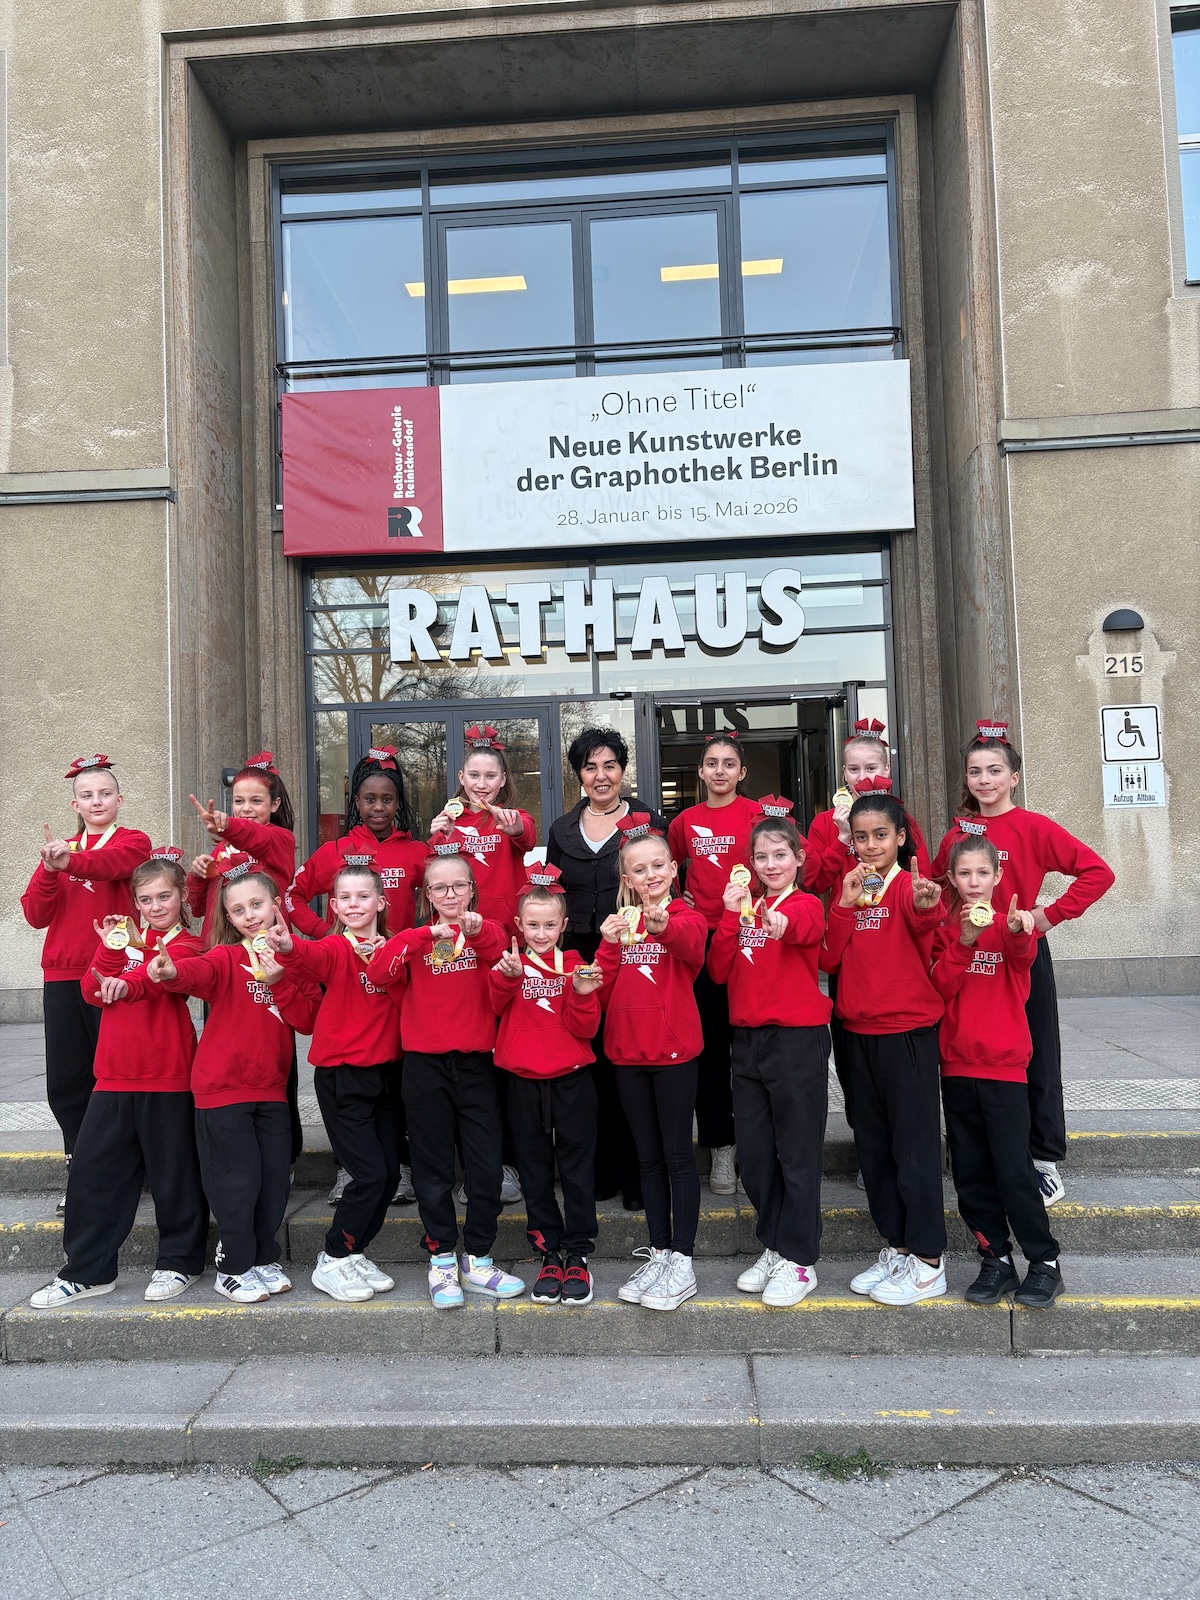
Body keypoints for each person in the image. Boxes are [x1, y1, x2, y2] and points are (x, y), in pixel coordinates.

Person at [932, 720, 1115, 1207]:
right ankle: (982, 1151)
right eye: (975, 771)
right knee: (972, 1052)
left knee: (1036, 1053)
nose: (984, 780)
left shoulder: (1034, 827)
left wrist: (1046, 916)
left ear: (1014, 776)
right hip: (969, 955)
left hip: (1020, 952)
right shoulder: (958, 834)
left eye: (995, 770)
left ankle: (1044, 1158)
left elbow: (1098, 872)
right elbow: (935, 887)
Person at [29, 846, 208, 1308]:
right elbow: (90, 991)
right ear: (135, 902)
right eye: (145, 899)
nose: (154, 907)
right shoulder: (120, 943)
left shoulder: (188, 944)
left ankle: (180, 1263)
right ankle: (88, 1272)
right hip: (111, 1078)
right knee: (93, 1174)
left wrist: (128, 982)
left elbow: (164, 977)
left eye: (164, 897)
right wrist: (111, 955)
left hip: (167, 1077)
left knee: (174, 1177)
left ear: (181, 897)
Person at [148, 860, 320, 1303]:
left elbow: (306, 1020)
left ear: (275, 904)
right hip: (221, 1090)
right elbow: (195, 974)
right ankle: (234, 1266)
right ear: (229, 919)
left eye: (256, 904)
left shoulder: (296, 961)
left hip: (271, 1090)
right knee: (235, 1180)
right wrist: (169, 974)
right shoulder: (225, 957)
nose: (249, 915)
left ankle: (263, 1258)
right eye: (238, 910)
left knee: (273, 1179)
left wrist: (280, 978)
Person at [367, 838, 525, 1309]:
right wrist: (423, 936)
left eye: (459, 886)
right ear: (427, 895)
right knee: (433, 1169)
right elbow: (378, 973)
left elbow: (501, 950)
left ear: (472, 890)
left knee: (483, 1166)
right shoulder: (414, 939)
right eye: (440, 888)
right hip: (424, 1065)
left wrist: (474, 932)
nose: (451, 895)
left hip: (478, 1065)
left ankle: (478, 1257)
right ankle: (440, 1260)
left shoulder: (486, 933)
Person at [820, 791, 948, 1306]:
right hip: (855, 1035)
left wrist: (926, 905)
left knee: (913, 1150)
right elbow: (828, 958)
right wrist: (845, 904)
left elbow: (925, 926)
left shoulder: (912, 888)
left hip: (907, 1036)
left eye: (880, 835)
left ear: (900, 837)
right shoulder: (847, 887)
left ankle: (929, 1259)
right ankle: (896, 1247)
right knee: (872, 1150)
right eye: (860, 836)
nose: (870, 846)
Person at [285, 745, 424, 1208]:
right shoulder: (336, 852)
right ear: (356, 802)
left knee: (397, 1071)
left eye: (387, 799)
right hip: (346, 974)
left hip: (401, 975)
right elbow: (294, 898)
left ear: (399, 802)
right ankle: (351, 1168)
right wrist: (326, 932)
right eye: (369, 799)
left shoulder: (418, 852)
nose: (379, 807)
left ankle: (398, 1165)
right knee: (353, 1071)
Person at [932, 837, 1064, 1308]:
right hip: (957, 1066)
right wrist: (964, 942)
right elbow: (940, 987)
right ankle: (996, 1259)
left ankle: (1044, 1261)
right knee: (970, 1172)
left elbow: (1023, 959)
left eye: (982, 874)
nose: (973, 882)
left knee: (1014, 1171)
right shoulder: (946, 929)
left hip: (1005, 1068)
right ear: (951, 879)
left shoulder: (1014, 927)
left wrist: (1019, 929)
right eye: (964, 874)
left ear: (997, 877)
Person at [708, 805, 831, 1307]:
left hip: (796, 1040)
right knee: (756, 1157)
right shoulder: (742, 910)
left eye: (780, 855)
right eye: (762, 857)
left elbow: (799, 928)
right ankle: (775, 1243)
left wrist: (773, 919)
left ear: (799, 858)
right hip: (748, 1041)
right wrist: (729, 914)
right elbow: (718, 970)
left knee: (797, 1154)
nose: (771, 864)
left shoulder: (804, 904)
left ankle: (800, 1259)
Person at [20, 755, 152, 1210]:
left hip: (114, 973)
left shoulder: (134, 842)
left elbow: (113, 864)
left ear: (120, 799)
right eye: (87, 795)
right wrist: (52, 869)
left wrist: (70, 859)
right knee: (67, 1080)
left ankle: (132, 1164)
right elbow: (36, 915)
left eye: (105, 793)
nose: (97, 801)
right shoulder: (60, 852)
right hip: (61, 976)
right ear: (75, 803)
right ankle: (82, 1167)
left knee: (116, 1074)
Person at [268, 862, 402, 1304]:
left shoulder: (392, 948)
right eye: (344, 898)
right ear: (335, 907)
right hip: (343, 1075)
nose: (354, 904)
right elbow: (308, 958)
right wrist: (288, 947)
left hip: (386, 1073)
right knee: (367, 1175)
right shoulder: (333, 948)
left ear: (381, 902)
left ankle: (354, 1251)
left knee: (386, 1176)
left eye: (363, 896)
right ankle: (332, 1257)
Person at [546, 727, 666, 1210]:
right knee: (588, 1065)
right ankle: (595, 1175)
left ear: (622, 770)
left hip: (634, 953)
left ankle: (638, 1177)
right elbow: (551, 894)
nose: (601, 776)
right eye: (591, 767)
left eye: (609, 765)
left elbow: (661, 884)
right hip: (580, 963)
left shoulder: (645, 821)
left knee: (630, 1064)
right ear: (579, 774)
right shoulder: (560, 829)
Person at [596, 814, 707, 1312]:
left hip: (674, 1052)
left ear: (674, 867)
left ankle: (682, 1260)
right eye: (639, 870)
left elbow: (690, 948)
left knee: (677, 1156)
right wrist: (605, 945)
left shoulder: (687, 916)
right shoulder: (618, 925)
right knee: (646, 1159)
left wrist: (662, 926)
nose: (650, 875)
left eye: (658, 865)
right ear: (626, 879)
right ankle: (660, 1251)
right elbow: (597, 985)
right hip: (625, 1053)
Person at [488, 863, 603, 1306]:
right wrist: (507, 978)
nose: (540, 933)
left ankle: (578, 1252)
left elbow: (585, 1028)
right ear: (518, 925)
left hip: (572, 1080)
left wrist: (581, 992)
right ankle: (547, 1251)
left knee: (576, 1168)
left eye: (549, 925)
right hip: (522, 1081)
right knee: (534, 1170)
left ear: (564, 925)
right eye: (532, 924)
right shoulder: (510, 965)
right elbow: (495, 1008)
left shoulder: (576, 964)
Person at [186, 752, 304, 1166]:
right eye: (239, 801)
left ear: (273, 805)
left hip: (271, 964)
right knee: (227, 1048)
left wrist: (228, 827)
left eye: (256, 801)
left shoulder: (280, 841)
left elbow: (256, 839)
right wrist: (198, 876)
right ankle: (232, 1138)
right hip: (222, 966)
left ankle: (284, 1155)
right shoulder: (222, 851)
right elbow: (200, 909)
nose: (246, 809)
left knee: (275, 1057)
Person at [666, 731, 763, 1197]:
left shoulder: (758, 815)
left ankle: (759, 1145)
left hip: (754, 939)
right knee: (709, 1049)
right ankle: (721, 1147)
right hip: (703, 945)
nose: (720, 770)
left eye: (729, 763)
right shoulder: (684, 822)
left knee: (751, 1050)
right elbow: (669, 867)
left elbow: (788, 861)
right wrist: (680, 897)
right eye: (711, 763)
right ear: (701, 772)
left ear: (742, 773)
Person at [429, 723, 537, 927]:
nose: (481, 785)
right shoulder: (448, 821)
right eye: (474, 775)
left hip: (506, 927)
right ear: (462, 777)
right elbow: (433, 876)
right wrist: (438, 838)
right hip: (459, 927)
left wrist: (516, 830)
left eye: (490, 776)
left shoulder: (512, 817)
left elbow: (528, 836)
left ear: (503, 779)